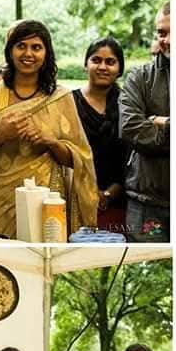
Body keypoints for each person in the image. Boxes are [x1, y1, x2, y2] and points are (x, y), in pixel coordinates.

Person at [0, 20, 97, 238]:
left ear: (46, 53)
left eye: (36, 47)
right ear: (10, 51)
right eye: (21, 46)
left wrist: (50, 142)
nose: (28, 53)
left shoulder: (60, 97)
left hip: (48, 204)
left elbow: (79, 158)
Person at [120, 1, 170, 242]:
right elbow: (131, 128)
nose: (167, 40)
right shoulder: (138, 77)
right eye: (162, 32)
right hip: (148, 207)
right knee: (144, 265)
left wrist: (163, 123)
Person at [73, 37, 131, 233]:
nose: (103, 67)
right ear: (86, 64)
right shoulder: (68, 103)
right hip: (74, 200)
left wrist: (107, 195)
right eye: (96, 60)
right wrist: (89, 194)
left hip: (119, 202)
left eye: (110, 62)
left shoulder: (129, 106)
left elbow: (131, 159)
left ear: (120, 69)